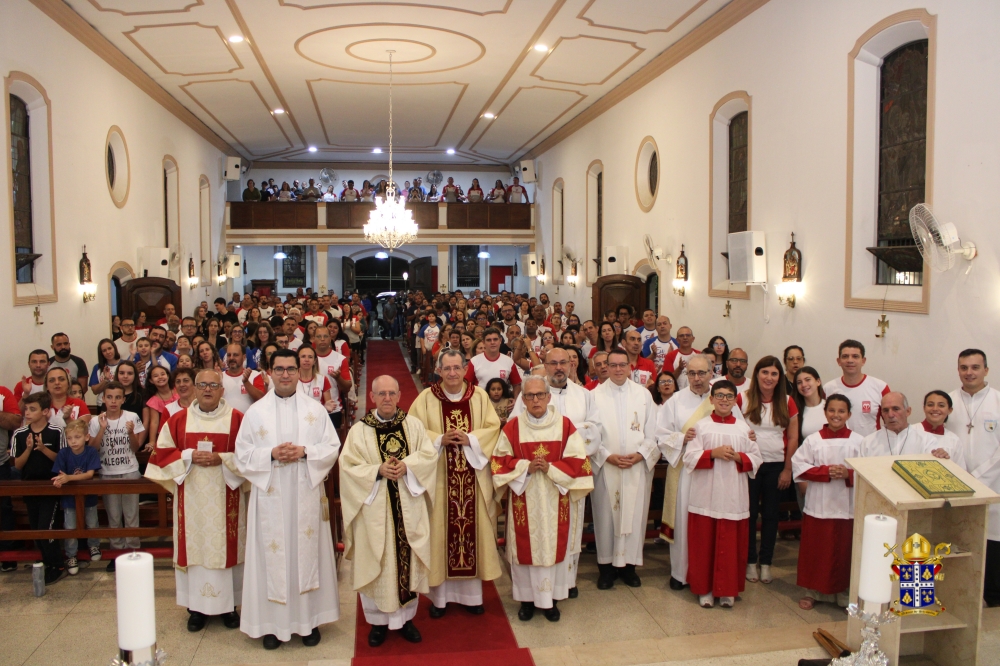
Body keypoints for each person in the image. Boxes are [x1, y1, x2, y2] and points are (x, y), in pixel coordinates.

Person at [235, 349, 341, 649]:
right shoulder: (255, 412)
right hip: (270, 493)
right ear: (268, 372)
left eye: (290, 369)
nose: (285, 374)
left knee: (305, 553)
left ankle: (307, 622)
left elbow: (331, 447)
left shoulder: (315, 409)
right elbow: (242, 455)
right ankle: (272, 624)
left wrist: (305, 452)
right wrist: (270, 454)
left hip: (305, 490)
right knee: (272, 555)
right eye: (279, 369)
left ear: (299, 371)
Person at [146, 369, 248, 632]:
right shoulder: (178, 420)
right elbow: (160, 455)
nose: (207, 390)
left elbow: (251, 459)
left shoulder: (238, 420)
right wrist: (189, 455)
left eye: (213, 385)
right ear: (193, 388)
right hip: (191, 502)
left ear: (222, 390)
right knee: (194, 548)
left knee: (226, 548)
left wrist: (222, 459)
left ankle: (229, 606)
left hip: (227, 499)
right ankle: (196, 609)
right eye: (201, 384)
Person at [340, 375, 438, 646]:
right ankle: (377, 623)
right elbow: (347, 467)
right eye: (381, 393)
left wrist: (408, 466)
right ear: (371, 397)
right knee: (378, 561)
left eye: (391, 393)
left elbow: (429, 456)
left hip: (408, 506)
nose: (386, 398)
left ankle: (406, 619)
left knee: (408, 561)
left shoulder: (413, 426)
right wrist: (376, 470)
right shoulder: (359, 431)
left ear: (398, 395)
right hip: (375, 512)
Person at [491, 375, 593, 622]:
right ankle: (526, 601)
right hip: (523, 498)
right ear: (522, 399)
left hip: (555, 497)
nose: (535, 400)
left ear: (549, 397)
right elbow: (498, 462)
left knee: (552, 546)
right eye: (529, 395)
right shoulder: (513, 427)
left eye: (540, 395)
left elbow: (579, 461)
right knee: (525, 548)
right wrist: (526, 466)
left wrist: (550, 469)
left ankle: (551, 601)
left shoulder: (565, 425)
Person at [408, 351, 503, 616]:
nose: (452, 373)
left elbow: (493, 428)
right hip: (439, 479)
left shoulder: (480, 396)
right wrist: (439, 439)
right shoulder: (426, 398)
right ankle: (440, 600)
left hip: (473, 477)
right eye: (446, 368)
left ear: (465, 370)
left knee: (474, 533)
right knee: (440, 533)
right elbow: (413, 430)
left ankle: (472, 598)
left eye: (456, 368)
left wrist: (471, 439)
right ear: (439, 370)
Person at [509, 347, 601, 598]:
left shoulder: (584, 395)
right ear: (544, 365)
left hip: (566, 479)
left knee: (568, 533)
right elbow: (513, 432)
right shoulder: (528, 395)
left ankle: (565, 583)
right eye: (553, 363)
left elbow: (595, 432)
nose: (559, 367)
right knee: (533, 535)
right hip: (532, 480)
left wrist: (565, 435)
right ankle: (530, 593)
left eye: (564, 363)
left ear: (572, 365)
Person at [684, 380, 761, 608]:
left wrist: (740, 457)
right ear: (712, 399)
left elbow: (757, 459)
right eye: (720, 395)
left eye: (729, 396)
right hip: (705, 494)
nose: (724, 400)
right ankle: (704, 589)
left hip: (733, 496)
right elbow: (689, 458)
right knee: (704, 543)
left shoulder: (744, 429)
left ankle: (727, 590)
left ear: (735, 400)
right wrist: (712, 453)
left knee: (731, 544)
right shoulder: (701, 427)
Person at [590, 349, 659, 590]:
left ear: (630, 367)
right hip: (606, 467)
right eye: (613, 365)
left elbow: (654, 431)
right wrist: (606, 456)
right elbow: (590, 435)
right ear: (605, 367)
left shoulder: (643, 395)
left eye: (622, 365)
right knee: (605, 517)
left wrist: (640, 455)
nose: (618, 369)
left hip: (635, 468)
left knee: (634, 516)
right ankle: (606, 569)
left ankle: (629, 568)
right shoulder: (595, 396)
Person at [792, 394, 862, 610]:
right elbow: (799, 465)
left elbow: (866, 471)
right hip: (819, 505)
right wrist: (827, 472)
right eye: (832, 410)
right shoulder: (814, 440)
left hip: (846, 506)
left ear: (849, 414)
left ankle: (844, 592)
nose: (836, 415)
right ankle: (812, 590)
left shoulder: (859, 441)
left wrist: (848, 474)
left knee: (843, 550)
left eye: (841, 411)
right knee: (817, 550)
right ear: (825, 412)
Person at [656, 355, 715, 590]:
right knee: (683, 521)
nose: (697, 378)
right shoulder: (675, 401)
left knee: (708, 522)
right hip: (684, 472)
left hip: (713, 472)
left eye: (702, 373)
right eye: (692, 373)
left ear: (712, 373)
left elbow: (737, 428)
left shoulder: (721, 398)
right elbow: (660, 433)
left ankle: (707, 572)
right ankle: (680, 573)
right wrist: (682, 438)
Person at [740, 356, 798, 585]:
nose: (769, 377)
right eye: (765, 372)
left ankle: (766, 563)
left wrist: (788, 469)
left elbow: (793, 437)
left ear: (779, 378)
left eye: (774, 374)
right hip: (750, 466)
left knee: (772, 515)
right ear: (757, 375)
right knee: (750, 514)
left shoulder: (787, 401)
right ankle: (749, 561)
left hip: (776, 465)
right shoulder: (742, 399)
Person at [89, 381, 145, 571]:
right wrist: (103, 428)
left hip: (129, 470)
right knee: (113, 516)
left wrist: (130, 433)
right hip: (107, 472)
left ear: (123, 399)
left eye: (117, 397)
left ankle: (133, 551)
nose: (113, 401)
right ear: (103, 399)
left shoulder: (132, 417)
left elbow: (136, 447)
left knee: (131, 515)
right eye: (109, 397)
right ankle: (116, 554)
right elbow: (92, 449)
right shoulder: (96, 420)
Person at [13, 392, 67, 583]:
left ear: (45, 411)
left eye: (32, 409)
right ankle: (45, 562)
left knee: (47, 528)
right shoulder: (20, 434)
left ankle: (58, 564)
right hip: (29, 487)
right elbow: (17, 465)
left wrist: (43, 448)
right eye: (26, 409)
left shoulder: (56, 431)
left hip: (50, 487)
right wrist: (29, 449)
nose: (27, 412)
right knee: (36, 529)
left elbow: (61, 461)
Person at [52, 419, 102, 575]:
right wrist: (60, 480)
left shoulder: (91, 452)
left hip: (89, 497)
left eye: (77, 437)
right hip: (69, 499)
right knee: (70, 527)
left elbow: (89, 474)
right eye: (70, 438)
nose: (73, 441)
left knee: (92, 522)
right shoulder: (64, 453)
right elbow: (59, 474)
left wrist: (69, 478)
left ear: (86, 437)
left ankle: (94, 545)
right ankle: (71, 555)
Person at [823, 340, 889, 437]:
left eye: (855, 356)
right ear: (839, 361)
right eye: (845, 356)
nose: (850, 360)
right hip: (839, 447)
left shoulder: (880, 387)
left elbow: (890, 422)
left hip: (871, 449)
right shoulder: (828, 389)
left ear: (863, 361)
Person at [859, 392, 928, 458]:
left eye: (896, 409)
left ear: (908, 411)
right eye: (886, 410)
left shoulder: (925, 441)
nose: (890, 415)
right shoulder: (868, 442)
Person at [466, 327, 523, 399]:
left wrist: (515, 399)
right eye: (489, 340)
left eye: (495, 339)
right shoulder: (474, 361)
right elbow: (466, 385)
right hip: (480, 402)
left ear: (500, 340)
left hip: (502, 405)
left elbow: (516, 384)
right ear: (483, 342)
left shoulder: (509, 361)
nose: (492, 342)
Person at [312, 328, 351, 429]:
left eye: (325, 336)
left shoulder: (340, 359)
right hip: (310, 410)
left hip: (333, 409)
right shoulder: (306, 358)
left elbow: (347, 388)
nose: (322, 339)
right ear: (313, 339)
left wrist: (338, 378)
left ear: (330, 338)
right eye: (319, 337)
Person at [920, 390, 967, 468]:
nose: (935, 409)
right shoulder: (910, 432)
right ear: (924, 408)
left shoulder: (954, 440)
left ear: (950, 410)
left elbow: (960, 472)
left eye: (941, 405)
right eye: (930, 405)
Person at [221, 344, 265, 414]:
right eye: (229, 355)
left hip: (248, 422)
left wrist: (246, 382)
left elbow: (262, 400)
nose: (231, 358)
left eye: (235, 355)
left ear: (244, 357)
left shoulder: (254, 375)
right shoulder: (220, 377)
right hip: (225, 422)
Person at [794, 367, 827, 440]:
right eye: (799, 382)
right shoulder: (796, 412)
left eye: (807, 380)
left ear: (818, 381)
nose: (804, 385)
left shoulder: (830, 406)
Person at [89, 338, 121, 411]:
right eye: (104, 350)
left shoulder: (123, 365)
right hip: (102, 404)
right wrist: (105, 380)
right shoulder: (98, 367)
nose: (108, 352)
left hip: (120, 403)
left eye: (110, 348)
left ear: (114, 348)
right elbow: (95, 391)